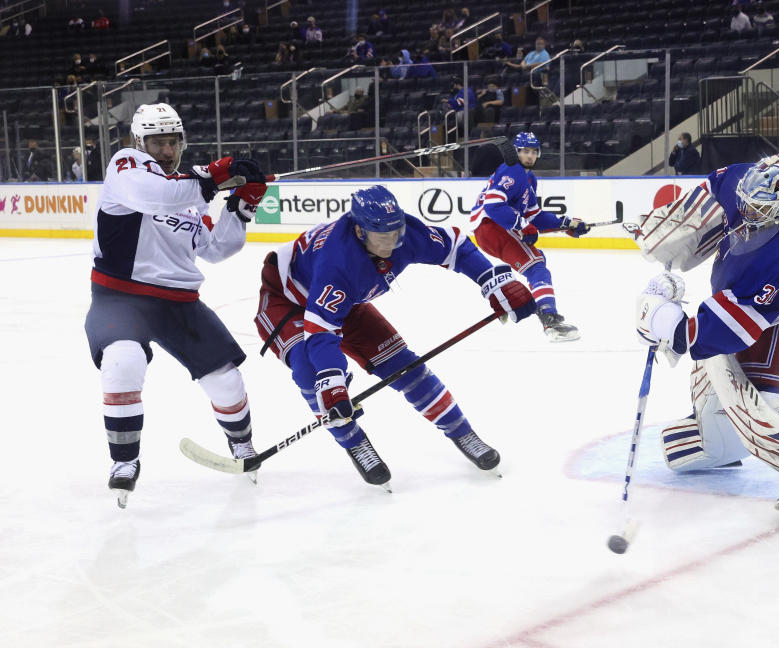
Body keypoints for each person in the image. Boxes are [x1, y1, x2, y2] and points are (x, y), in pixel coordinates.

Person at [253, 185, 537, 490]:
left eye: (396, 232)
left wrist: (492, 281)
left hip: (343, 301)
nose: (394, 241)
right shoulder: (337, 262)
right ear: (361, 232)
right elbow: (321, 330)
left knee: (404, 367)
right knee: (313, 375)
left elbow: (456, 246)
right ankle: (353, 440)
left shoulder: (402, 232)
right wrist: (333, 381)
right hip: (289, 301)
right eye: (383, 236)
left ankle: (461, 431)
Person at [633, 153, 779, 516]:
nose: (747, 213)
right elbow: (716, 185)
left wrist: (663, 319)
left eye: (759, 209)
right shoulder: (744, 180)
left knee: (759, 399)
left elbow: (720, 331)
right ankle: (720, 445)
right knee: (716, 375)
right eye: (748, 203)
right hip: (755, 295)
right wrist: (673, 229)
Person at [83, 103, 270, 508]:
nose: (167, 151)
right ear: (139, 142)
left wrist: (242, 206)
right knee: (123, 361)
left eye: (173, 142)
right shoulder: (126, 167)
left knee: (225, 379)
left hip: (179, 302)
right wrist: (215, 174)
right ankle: (124, 461)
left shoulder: (191, 193)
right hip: (121, 296)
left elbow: (216, 248)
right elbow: (158, 196)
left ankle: (242, 446)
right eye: (157, 142)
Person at [467, 132, 591, 342]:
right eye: (525, 151)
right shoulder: (512, 170)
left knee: (536, 263)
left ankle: (522, 305)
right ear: (516, 152)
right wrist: (523, 226)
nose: (530, 156)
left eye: (533, 152)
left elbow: (535, 216)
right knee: (536, 266)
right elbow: (494, 206)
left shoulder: (528, 178)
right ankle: (549, 318)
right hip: (493, 227)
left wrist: (566, 223)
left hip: (491, 230)